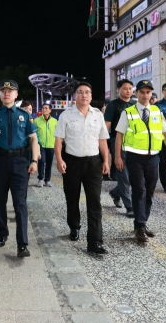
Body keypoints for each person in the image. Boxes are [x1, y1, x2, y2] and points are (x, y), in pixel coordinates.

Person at [0, 80, 39, 258]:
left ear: (16, 95)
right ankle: (2, 234)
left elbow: (34, 139)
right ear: (0, 94)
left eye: (10, 91)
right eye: (3, 91)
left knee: (20, 203)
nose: (6, 93)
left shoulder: (24, 115)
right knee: (1, 200)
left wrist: (34, 160)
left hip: (20, 162)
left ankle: (22, 243)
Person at [114, 80, 166, 243]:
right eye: (142, 92)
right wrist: (117, 156)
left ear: (151, 94)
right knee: (139, 190)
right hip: (134, 157)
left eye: (148, 92)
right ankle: (140, 225)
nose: (145, 95)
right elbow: (119, 135)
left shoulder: (156, 111)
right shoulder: (128, 113)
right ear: (137, 93)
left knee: (149, 191)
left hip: (153, 157)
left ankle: (142, 223)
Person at [54, 82, 110, 254]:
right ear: (75, 96)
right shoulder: (66, 115)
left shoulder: (97, 115)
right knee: (72, 198)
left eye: (87, 92)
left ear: (91, 96)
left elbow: (102, 140)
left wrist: (106, 161)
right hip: (72, 162)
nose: (84, 95)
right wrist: (59, 159)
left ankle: (95, 242)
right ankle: (74, 226)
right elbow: (58, 140)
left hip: (93, 163)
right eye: (80, 92)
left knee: (95, 202)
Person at [104, 79, 135, 217]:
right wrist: (104, 145)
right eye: (125, 88)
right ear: (119, 90)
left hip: (134, 144)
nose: (128, 91)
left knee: (132, 176)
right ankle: (129, 206)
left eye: (130, 88)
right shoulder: (113, 105)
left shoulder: (136, 104)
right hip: (117, 141)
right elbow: (107, 126)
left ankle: (115, 192)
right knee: (123, 174)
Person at [35, 103, 57, 187]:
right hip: (41, 145)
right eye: (43, 108)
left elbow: (57, 134)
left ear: (50, 110)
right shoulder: (37, 120)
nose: (44, 110)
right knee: (41, 161)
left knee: (49, 163)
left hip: (51, 145)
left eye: (46, 108)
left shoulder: (55, 121)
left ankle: (47, 180)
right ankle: (40, 179)